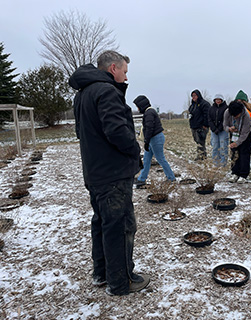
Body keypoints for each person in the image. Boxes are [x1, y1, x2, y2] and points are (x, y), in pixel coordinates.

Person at [69, 50, 150, 296]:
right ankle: (121, 281)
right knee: (121, 225)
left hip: (95, 173)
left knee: (102, 222)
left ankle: (101, 273)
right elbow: (116, 131)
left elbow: (80, 133)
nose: (126, 77)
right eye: (124, 71)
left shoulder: (82, 95)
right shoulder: (106, 91)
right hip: (113, 174)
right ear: (113, 68)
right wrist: (134, 149)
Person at [134, 95, 176, 186]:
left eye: (138, 106)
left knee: (160, 159)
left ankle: (171, 178)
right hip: (152, 139)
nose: (137, 109)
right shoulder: (148, 112)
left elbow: (149, 128)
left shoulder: (149, 113)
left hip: (156, 138)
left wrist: (146, 141)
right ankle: (142, 179)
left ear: (142, 105)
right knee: (146, 159)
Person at [223, 100, 251, 183]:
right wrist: (229, 129)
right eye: (233, 115)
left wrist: (237, 143)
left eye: (237, 115)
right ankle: (235, 172)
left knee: (244, 154)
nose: (235, 117)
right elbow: (225, 125)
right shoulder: (227, 112)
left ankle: (243, 175)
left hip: (245, 135)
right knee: (234, 154)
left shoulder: (246, 115)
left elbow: (245, 132)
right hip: (234, 134)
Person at [189, 89, 210, 160]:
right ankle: (201, 155)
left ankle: (202, 157)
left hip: (201, 127)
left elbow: (207, 115)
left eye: (195, 95)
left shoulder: (204, 104)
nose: (193, 97)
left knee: (201, 142)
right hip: (194, 126)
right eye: (192, 96)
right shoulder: (193, 105)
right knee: (197, 142)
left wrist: (205, 125)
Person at [208, 93, 229, 166]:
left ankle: (223, 164)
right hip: (214, 131)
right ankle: (215, 163)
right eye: (216, 99)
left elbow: (225, 119)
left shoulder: (226, 108)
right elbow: (209, 119)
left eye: (219, 99)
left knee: (223, 147)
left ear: (222, 100)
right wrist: (213, 128)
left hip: (223, 130)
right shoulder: (211, 108)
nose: (218, 101)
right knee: (215, 147)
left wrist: (219, 128)